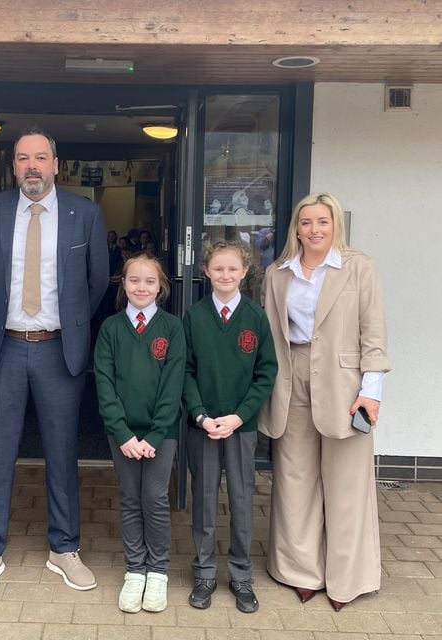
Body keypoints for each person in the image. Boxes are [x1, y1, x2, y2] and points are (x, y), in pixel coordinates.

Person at [0, 125, 109, 596]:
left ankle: (64, 548)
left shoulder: (83, 213)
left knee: (63, 451)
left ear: (55, 164)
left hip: (57, 348)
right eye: (23, 158)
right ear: (13, 166)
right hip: (4, 347)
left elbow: (95, 285)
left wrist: (63, 324)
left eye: (41, 158)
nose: (32, 166)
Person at [258, 193, 390, 610]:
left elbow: (374, 331)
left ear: (335, 225)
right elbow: (270, 336)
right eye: (306, 222)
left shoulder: (358, 267)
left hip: (345, 383)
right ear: (296, 228)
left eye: (323, 221)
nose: (314, 229)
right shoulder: (277, 274)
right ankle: (300, 570)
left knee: (346, 485)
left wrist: (371, 391)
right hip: (291, 377)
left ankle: (348, 577)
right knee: (295, 479)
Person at [183, 240, 277, 613]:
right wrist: (201, 415)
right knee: (204, 500)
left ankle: (241, 575)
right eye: (218, 269)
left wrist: (241, 415)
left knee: (241, 500)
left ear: (244, 272)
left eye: (232, 269)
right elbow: (185, 372)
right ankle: (205, 572)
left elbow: (266, 372)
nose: (225, 275)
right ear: (206, 270)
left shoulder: (255, 317)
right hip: (203, 425)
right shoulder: (194, 316)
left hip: (242, 425)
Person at [94, 255, 186, 614]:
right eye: (134, 280)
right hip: (123, 435)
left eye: (149, 281)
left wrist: (156, 434)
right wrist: (122, 433)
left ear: (160, 286)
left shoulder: (172, 328)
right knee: (130, 497)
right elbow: (104, 383)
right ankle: (135, 570)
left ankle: (158, 571)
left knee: (154, 497)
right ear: (124, 284)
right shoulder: (111, 329)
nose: (142, 287)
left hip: (161, 434)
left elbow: (173, 384)